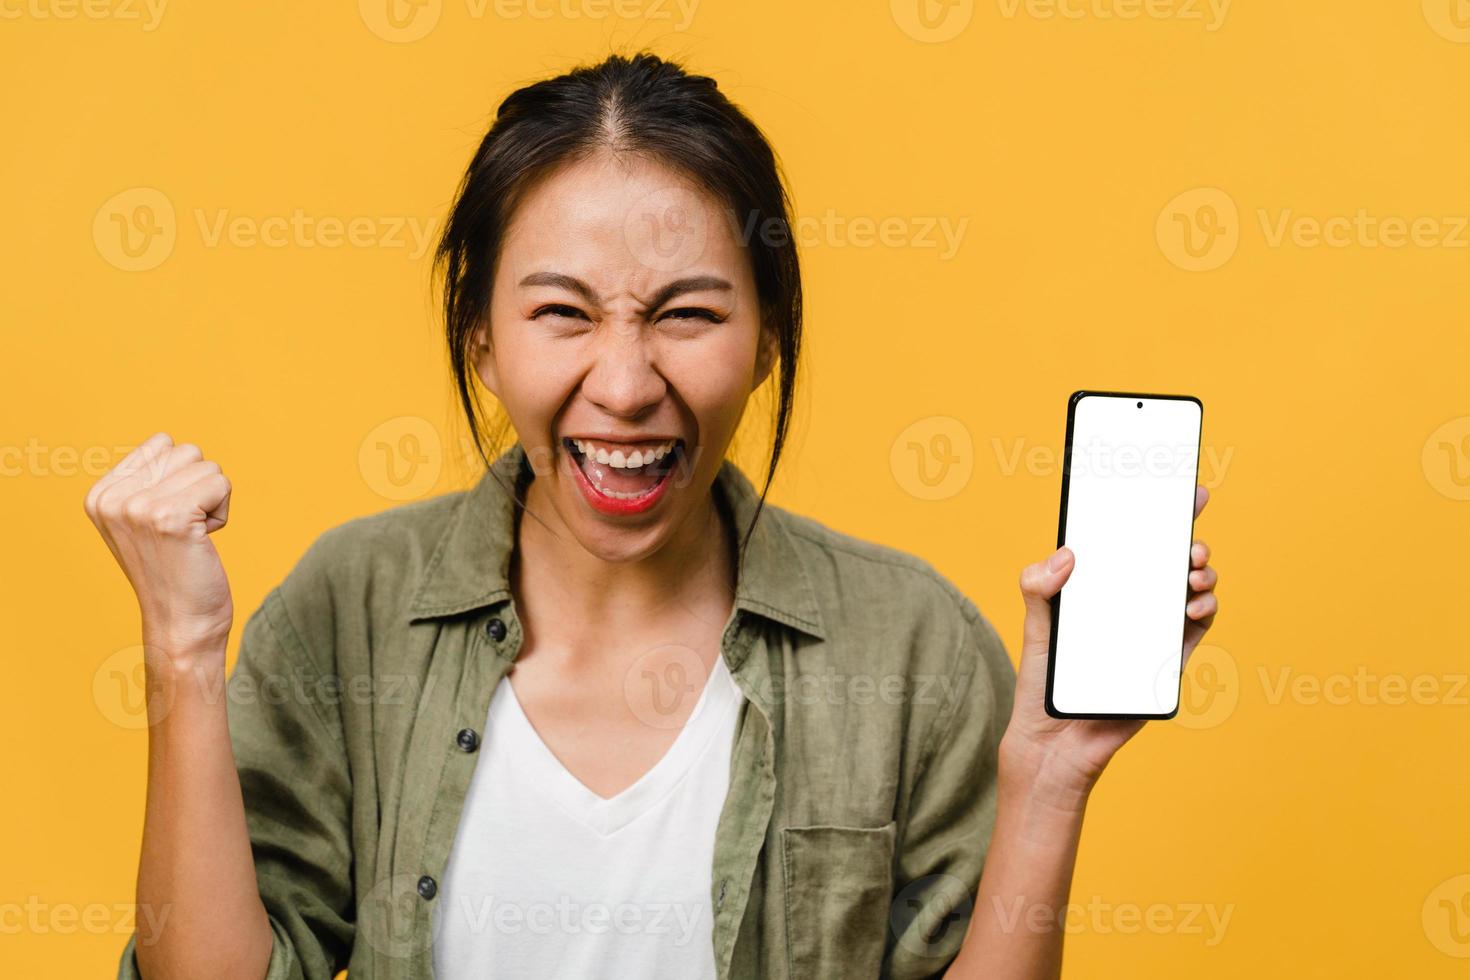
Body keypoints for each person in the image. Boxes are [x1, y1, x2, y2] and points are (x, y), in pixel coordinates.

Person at [88, 51, 1220, 980]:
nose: (625, 384)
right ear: (482, 335)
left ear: (769, 333)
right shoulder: (352, 607)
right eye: (561, 313)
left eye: (685, 312)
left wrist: (1050, 776)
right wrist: (183, 656)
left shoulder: (910, 640)